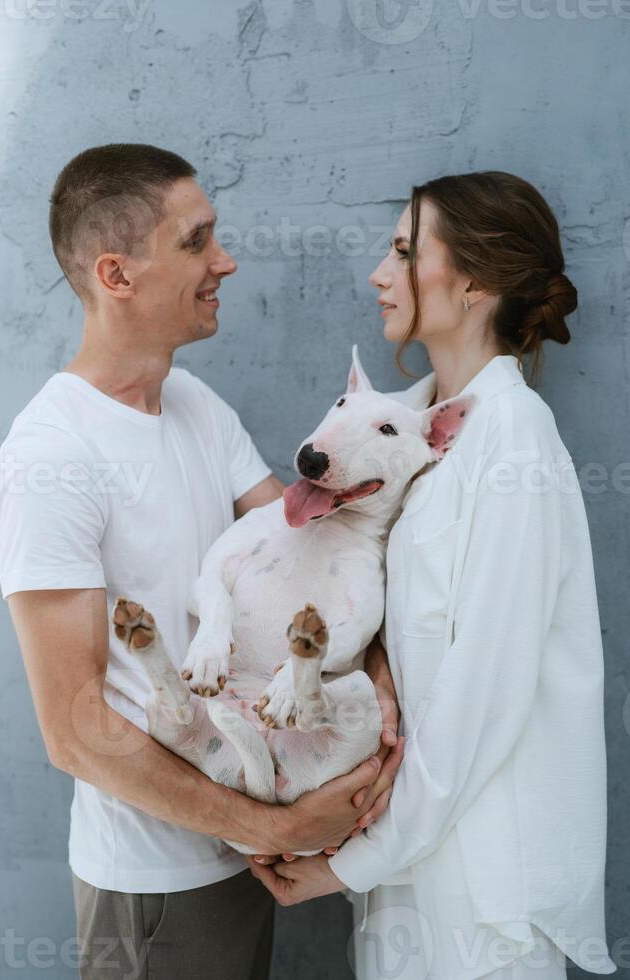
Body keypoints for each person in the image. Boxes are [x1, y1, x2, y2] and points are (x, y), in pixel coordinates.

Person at [0, 143, 402, 980]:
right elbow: (75, 731)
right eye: (195, 242)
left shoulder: (194, 405)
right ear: (116, 274)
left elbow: (317, 549)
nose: (225, 261)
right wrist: (274, 828)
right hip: (159, 881)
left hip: (244, 842)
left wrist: (380, 688)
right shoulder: (49, 459)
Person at [248, 171, 617, 980]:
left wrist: (353, 864)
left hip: (482, 901)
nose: (378, 275)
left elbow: (484, 686)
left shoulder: (513, 442)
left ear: (475, 280)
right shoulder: (404, 439)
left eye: (405, 251)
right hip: (409, 883)